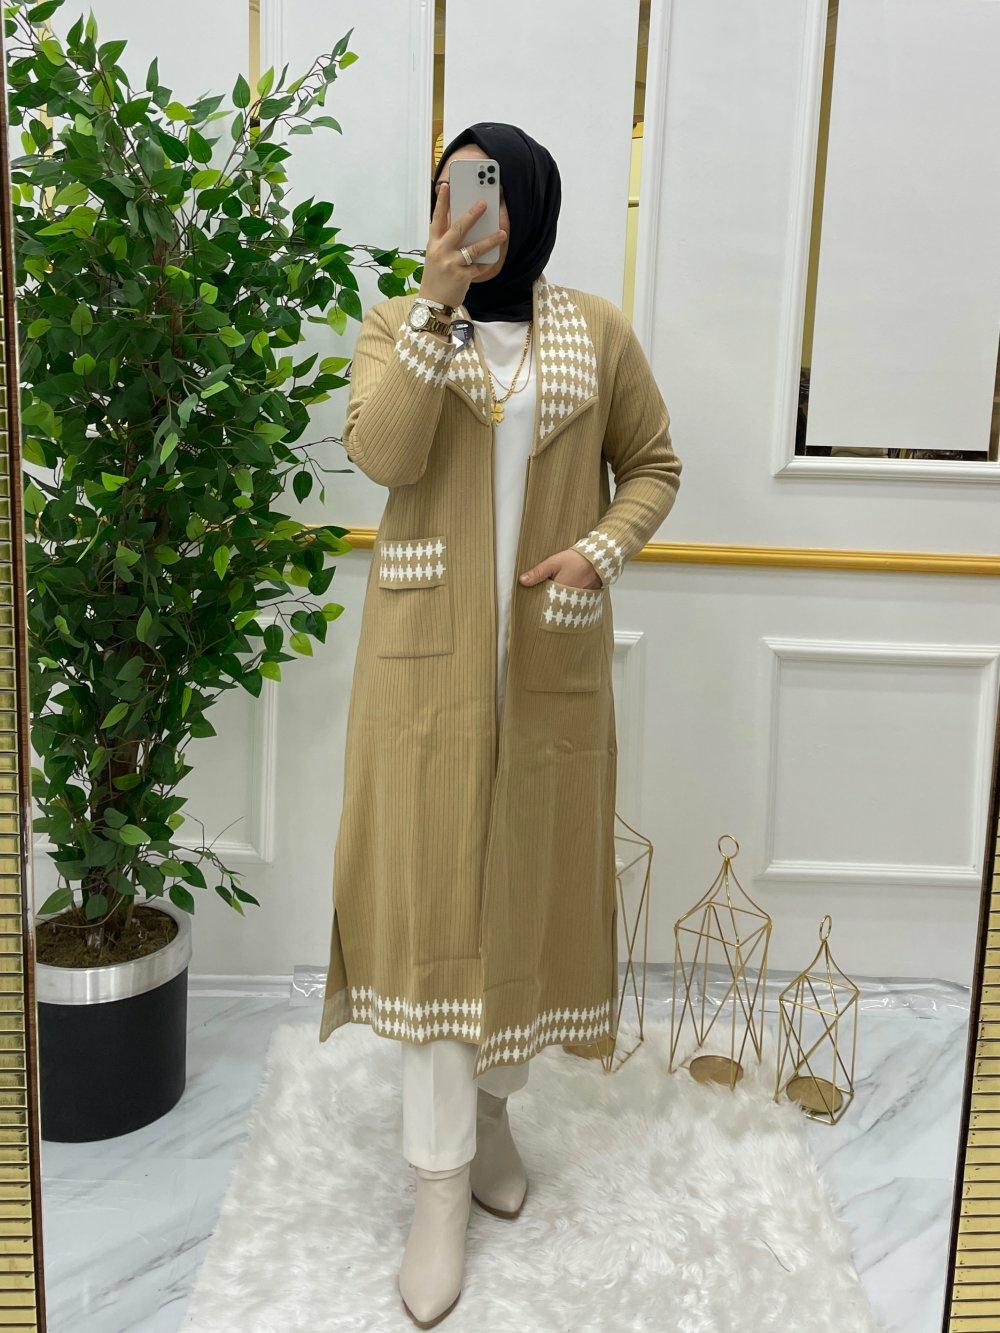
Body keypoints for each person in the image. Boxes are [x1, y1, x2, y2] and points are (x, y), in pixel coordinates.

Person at [318, 121, 682, 1327]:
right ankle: (437, 1184)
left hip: (546, 662)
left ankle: (491, 1110)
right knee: (435, 912)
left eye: (483, 190)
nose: (463, 209)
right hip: (422, 667)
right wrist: (436, 304)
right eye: (445, 190)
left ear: (527, 200)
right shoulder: (398, 322)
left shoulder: (598, 331)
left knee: (521, 894)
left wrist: (597, 551)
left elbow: (653, 466)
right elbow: (383, 455)